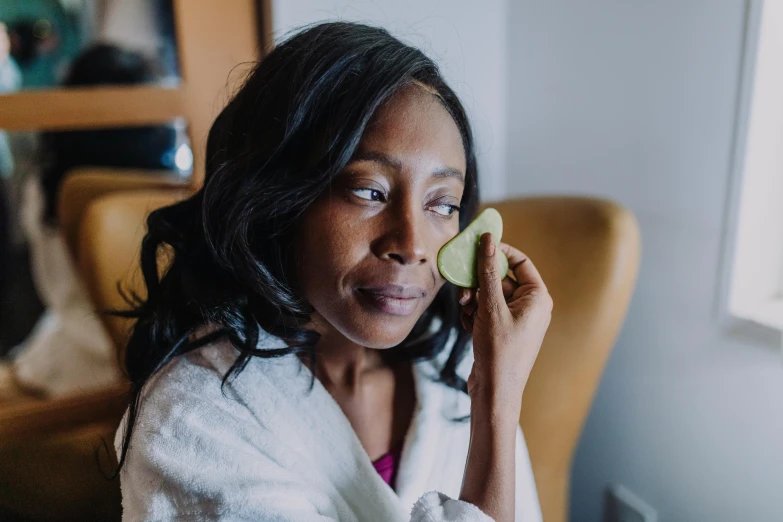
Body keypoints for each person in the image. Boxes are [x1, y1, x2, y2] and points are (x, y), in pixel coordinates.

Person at [114, 22, 552, 522]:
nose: (411, 246)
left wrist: (491, 388)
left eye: (442, 203)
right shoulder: (193, 422)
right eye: (368, 191)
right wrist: (497, 399)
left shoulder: (449, 374)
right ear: (276, 199)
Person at [0, 44, 177, 399]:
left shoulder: (45, 187)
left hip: (73, 355)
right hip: (163, 354)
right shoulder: (167, 187)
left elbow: (49, 284)